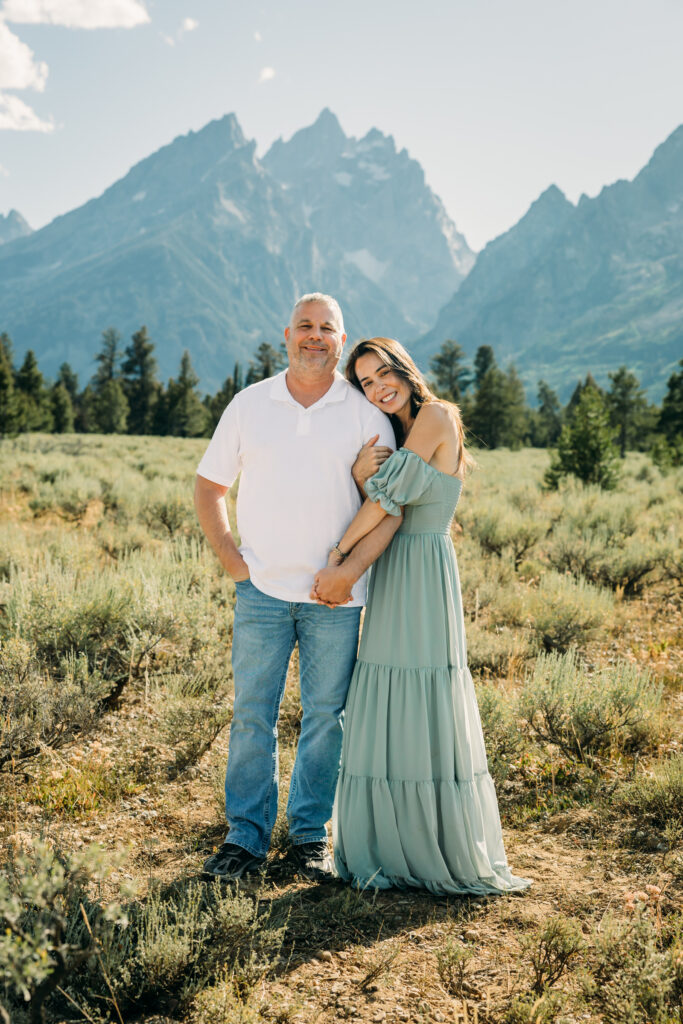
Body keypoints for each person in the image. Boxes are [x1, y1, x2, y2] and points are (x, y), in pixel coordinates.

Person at [311, 337, 531, 895]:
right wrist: (367, 481)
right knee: (386, 688)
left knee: (424, 690)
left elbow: (387, 501)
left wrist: (338, 554)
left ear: (406, 372)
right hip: (393, 570)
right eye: (365, 382)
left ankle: (432, 842)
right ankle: (389, 843)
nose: (378, 387)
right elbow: (388, 499)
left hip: (424, 571)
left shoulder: (436, 415)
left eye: (384, 373)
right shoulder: (402, 431)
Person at [194, 295, 398, 882]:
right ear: (286, 335)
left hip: (334, 599)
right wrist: (234, 561)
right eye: (305, 326)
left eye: (326, 328)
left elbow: (386, 506)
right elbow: (209, 486)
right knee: (251, 715)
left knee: (324, 717)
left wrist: (349, 572)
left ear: (341, 339)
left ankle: (310, 837)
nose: (315, 336)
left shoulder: (364, 413)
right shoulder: (250, 403)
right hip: (261, 592)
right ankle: (246, 838)